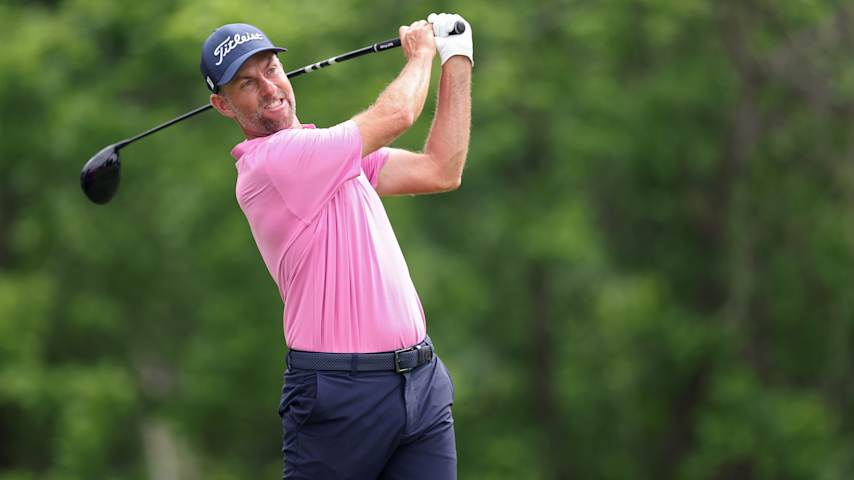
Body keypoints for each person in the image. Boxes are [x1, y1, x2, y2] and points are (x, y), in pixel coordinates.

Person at [199, 12, 472, 480]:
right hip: (340, 395)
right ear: (223, 106)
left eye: (270, 69)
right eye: (245, 84)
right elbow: (398, 115)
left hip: (421, 383)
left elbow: (440, 169)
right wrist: (423, 52)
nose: (268, 88)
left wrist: (458, 58)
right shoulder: (272, 164)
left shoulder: (328, 156)